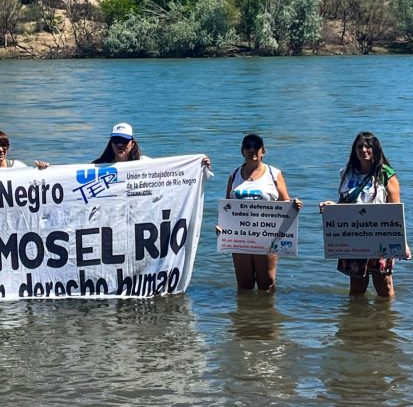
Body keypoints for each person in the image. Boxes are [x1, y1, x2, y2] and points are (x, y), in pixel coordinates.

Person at [322, 131, 411, 298]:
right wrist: (331, 207)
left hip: (381, 235)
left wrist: (402, 243)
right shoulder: (347, 172)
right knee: (357, 285)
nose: (363, 150)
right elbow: (343, 203)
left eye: (368, 146)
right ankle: (356, 322)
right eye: (359, 146)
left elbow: (396, 210)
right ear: (354, 150)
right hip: (354, 235)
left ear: (375, 149)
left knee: (383, 284)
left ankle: (386, 321)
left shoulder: (386, 174)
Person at [224, 133, 301, 291]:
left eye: (256, 147)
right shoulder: (234, 174)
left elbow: (285, 202)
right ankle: (244, 316)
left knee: (267, 283)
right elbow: (227, 207)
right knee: (244, 285)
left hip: (267, 234)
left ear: (263, 151)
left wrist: (294, 205)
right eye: (248, 147)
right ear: (242, 151)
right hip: (239, 236)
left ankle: (266, 315)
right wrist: (222, 227)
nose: (252, 150)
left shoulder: (274, 173)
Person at [92, 122, 212, 168]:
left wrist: (199, 165)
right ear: (110, 143)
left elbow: (173, 173)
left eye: (124, 141)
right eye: (116, 140)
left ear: (132, 143)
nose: (119, 144)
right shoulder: (97, 167)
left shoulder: (146, 164)